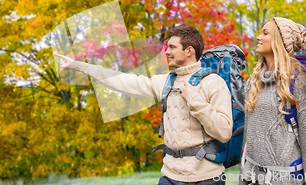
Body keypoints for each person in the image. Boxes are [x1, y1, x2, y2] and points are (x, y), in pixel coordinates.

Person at [56, 24, 232, 185]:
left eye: (172, 47)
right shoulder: (166, 82)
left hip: (206, 179)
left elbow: (224, 132)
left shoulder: (213, 82)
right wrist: (79, 66)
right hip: (170, 177)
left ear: (189, 51)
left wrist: (195, 100)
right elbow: (122, 80)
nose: (167, 52)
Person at [239, 17, 306, 185]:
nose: (258, 37)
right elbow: (248, 140)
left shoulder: (298, 82)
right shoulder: (253, 81)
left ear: (280, 42)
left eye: (265, 33)